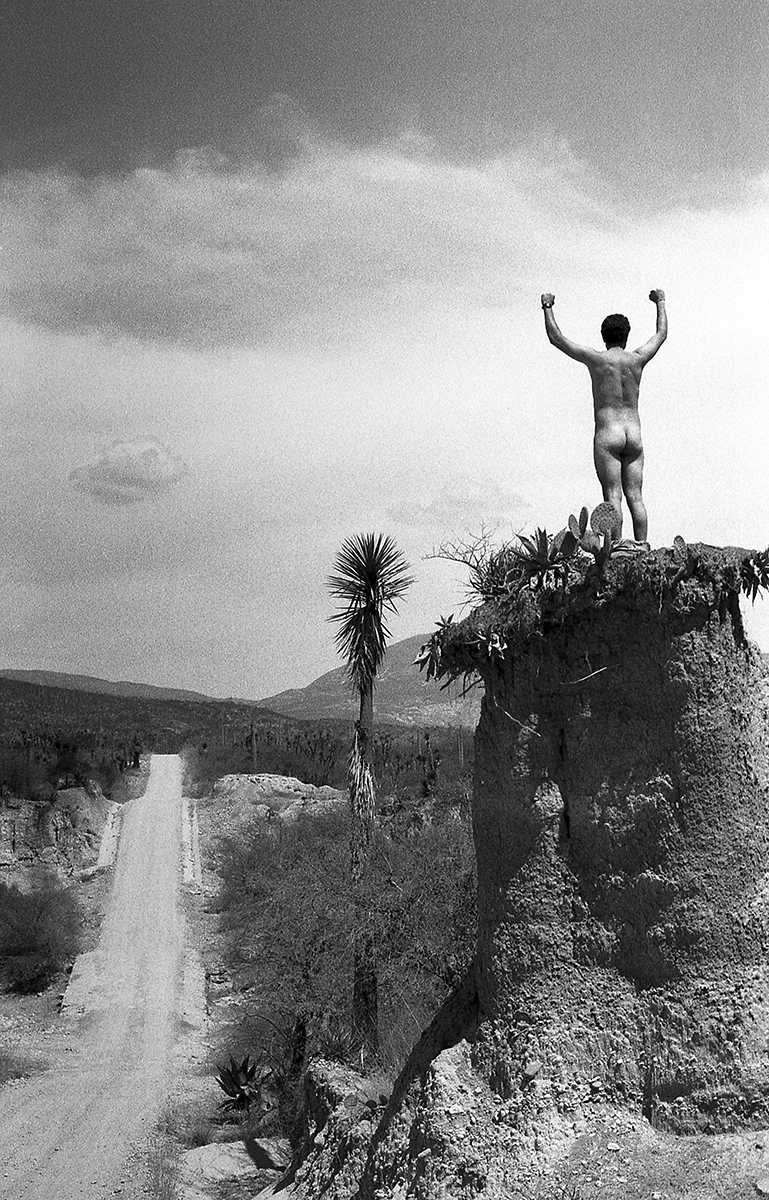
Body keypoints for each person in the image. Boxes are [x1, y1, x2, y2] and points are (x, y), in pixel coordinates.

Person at [540, 289, 667, 544]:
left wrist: (547, 306)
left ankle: (618, 547)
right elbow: (661, 334)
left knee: (613, 495)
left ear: (603, 336)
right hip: (634, 434)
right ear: (627, 336)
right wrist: (660, 302)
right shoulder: (637, 359)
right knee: (636, 496)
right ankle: (642, 546)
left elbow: (557, 338)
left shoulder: (597, 360)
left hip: (608, 434)